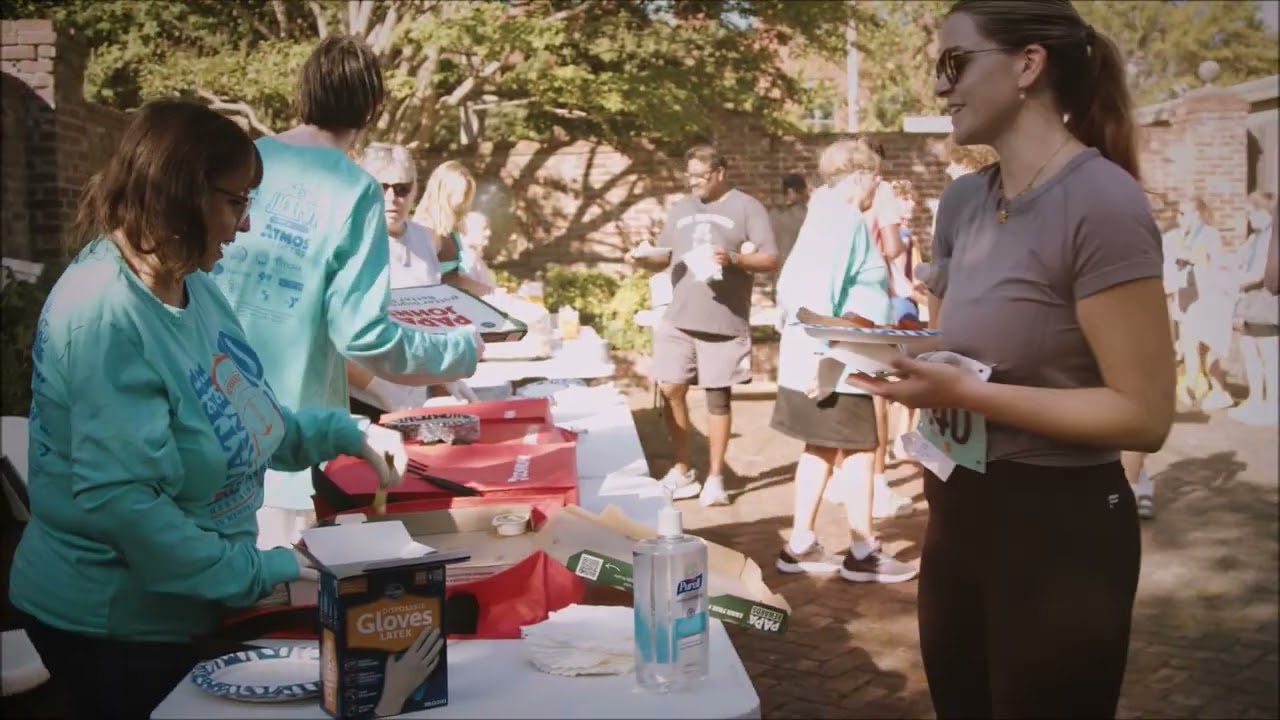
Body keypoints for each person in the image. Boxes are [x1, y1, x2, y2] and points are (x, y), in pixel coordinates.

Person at [8, 100, 401, 719]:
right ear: (178, 194)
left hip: (195, 601)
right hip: (114, 623)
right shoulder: (103, 314)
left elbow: (246, 421)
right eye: (236, 202)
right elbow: (127, 508)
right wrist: (269, 570)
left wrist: (344, 431)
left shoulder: (194, 281)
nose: (244, 225)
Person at [849, 2, 1174, 717]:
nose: (940, 88)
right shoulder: (964, 202)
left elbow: (1146, 414)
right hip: (960, 512)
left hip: (1062, 534)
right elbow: (971, 353)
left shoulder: (1101, 201)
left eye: (954, 63)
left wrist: (961, 394)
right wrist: (891, 350)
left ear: (1028, 65)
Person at [212, 36, 481, 547]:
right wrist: (459, 351)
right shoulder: (355, 189)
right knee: (278, 593)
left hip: (208, 416)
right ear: (372, 106)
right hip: (286, 432)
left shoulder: (249, 158)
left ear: (303, 94)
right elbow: (365, 337)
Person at [771, 137, 918, 583]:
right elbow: (815, 292)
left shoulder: (823, 214)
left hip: (822, 357)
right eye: (876, 175)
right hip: (838, 361)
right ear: (860, 175)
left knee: (820, 448)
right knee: (859, 452)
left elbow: (793, 290)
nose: (879, 184)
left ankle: (799, 545)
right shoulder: (843, 218)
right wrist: (825, 359)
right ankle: (861, 552)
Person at [626, 145, 780, 507]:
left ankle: (714, 478)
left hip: (723, 319)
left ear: (720, 173)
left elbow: (771, 257)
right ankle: (683, 470)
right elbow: (662, 258)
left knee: (716, 397)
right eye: (689, 176)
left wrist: (736, 259)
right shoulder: (681, 209)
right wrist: (640, 259)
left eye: (701, 176)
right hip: (678, 316)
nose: (693, 182)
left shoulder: (746, 207)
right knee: (670, 387)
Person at [1172, 197, 1235, 411]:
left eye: (1183, 214)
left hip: (1209, 296)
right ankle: (1194, 386)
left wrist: (1183, 255)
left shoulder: (1208, 234)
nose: (1179, 218)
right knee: (1191, 343)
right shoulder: (1188, 236)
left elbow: (1207, 262)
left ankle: (1220, 390)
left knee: (1207, 346)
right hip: (1194, 296)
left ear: (1196, 214)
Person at [1230, 191, 1279, 425]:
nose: (1248, 219)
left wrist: (1233, 281)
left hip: (1266, 300)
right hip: (1249, 300)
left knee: (1268, 354)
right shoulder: (1254, 238)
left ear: (1263, 211)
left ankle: (1273, 403)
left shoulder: (1273, 237)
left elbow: (1260, 271)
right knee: (1249, 351)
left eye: (1251, 213)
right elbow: (1237, 260)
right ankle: (1256, 398)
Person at [413, 160, 494, 298]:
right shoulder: (423, 230)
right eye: (459, 199)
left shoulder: (451, 229)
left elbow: (455, 278)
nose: (462, 206)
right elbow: (419, 284)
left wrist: (492, 293)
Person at [459, 210, 498, 290]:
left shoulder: (473, 256)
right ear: (466, 230)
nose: (489, 233)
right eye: (484, 228)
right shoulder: (464, 261)